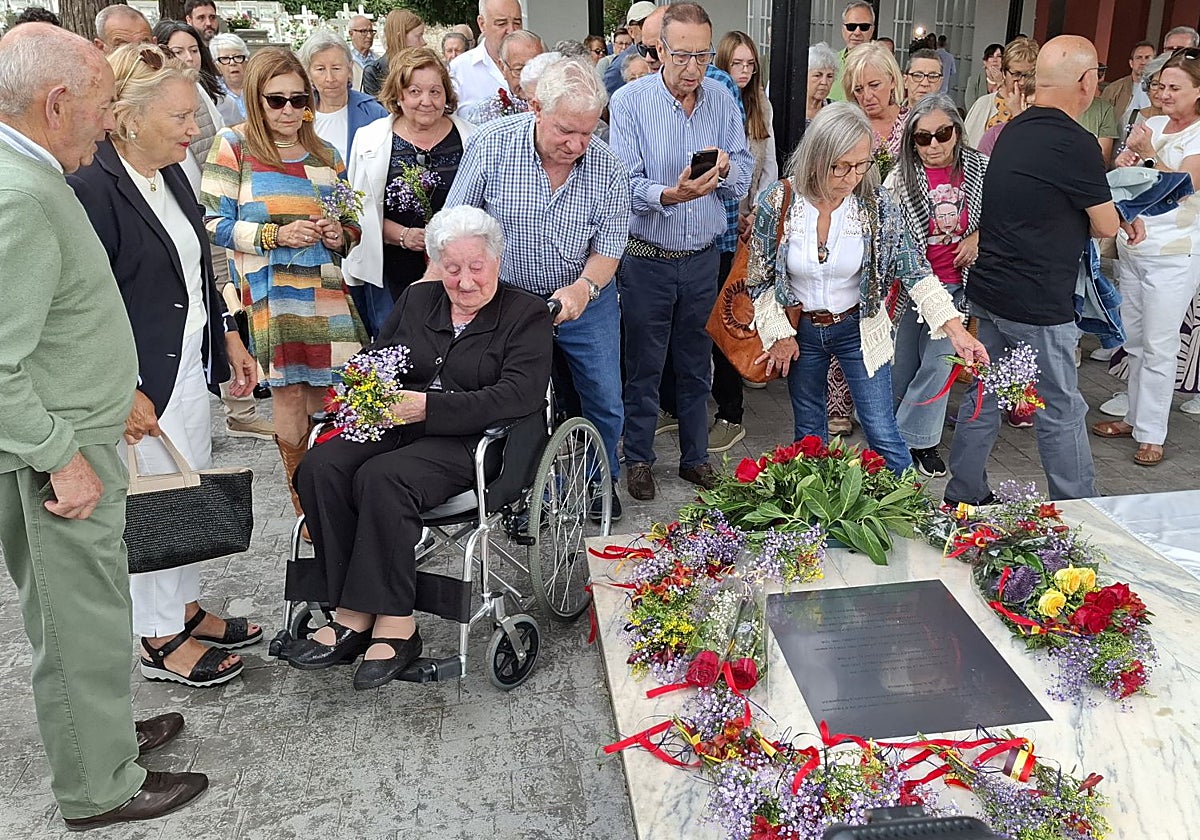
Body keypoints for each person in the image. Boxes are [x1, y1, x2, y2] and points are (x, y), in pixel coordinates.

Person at [0, 22, 206, 830]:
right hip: (59, 455)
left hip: (75, 436)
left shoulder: (32, 171)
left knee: (89, 606)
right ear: (57, 103)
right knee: (76, 620)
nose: (107, 118)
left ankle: (106, 740)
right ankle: (100, 786)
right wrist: (62, 458)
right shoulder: (20, 195)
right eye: (99, 104)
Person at [288, 205, 553, 689]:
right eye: (452, 268)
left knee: (381, 478)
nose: (465, 281)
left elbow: (520, 395)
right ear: (437, 264)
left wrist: (427, 407)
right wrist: (366, 389)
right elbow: (374, 357)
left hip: (475, 442)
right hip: (395, 427)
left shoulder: (525, 312)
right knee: (320, 467)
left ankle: (393, 623)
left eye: (476, 267)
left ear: (497, 261)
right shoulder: (418, 300)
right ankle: (350, 608)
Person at [69, 44, 262, 687]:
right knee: (149, 496)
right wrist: (118, 387)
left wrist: (230, 336)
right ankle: (157, 637)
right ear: (127, 115)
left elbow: (198, 266)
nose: (193, 127)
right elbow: (79, 303)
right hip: (137, 377)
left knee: (184, 485)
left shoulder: (172, 169)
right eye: (180, 116)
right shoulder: (92, 184)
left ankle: (182, 606)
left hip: (187, 358)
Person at [746, 103, 985, 472]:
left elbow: (915, 270)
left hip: (859, 328)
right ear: (816, 156)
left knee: (882, 430)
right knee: (809, 434)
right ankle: (818, 519)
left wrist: (957, 332)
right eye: (840, 165)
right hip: (801, 331)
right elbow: (759, 278)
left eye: (861, 165)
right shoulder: (779, 201)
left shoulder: (876, 205)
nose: (851, 177)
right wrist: (779, 333)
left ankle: (904, 516)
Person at [945, 35, 1133, 504]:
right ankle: (1079, 507)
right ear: (1087, 83)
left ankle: (963, 491)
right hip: (1039, 301)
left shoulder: (1013, 128)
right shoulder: (1078, 143)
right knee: (1062, 407)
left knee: (986, 395)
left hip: (992, 291)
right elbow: (1106, 223)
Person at [448, 57, 629, 517]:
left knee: (604, 399)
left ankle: (597, 484)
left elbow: (608, 251)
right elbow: (457, 224)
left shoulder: (608, 168)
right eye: (566, 130)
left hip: (585, 300)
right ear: (536, 108)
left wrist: (583, 289)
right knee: (517, 401)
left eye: (587, 133)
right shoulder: (492, 146)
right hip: (507, 301)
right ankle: (529, 493)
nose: (577, 144)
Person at [202, 47, 368, 527]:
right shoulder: (232, 145)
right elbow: (212, 222)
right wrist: (275, 235)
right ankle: (308, 507)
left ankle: (337, 494)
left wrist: (341, 234)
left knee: (336, 395)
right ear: (256, 98)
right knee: (291, 395)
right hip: (270, 294)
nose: (291, 111)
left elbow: (350, 222)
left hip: (326, 290)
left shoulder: (325, 154)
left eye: (300, 100)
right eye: (277, 100)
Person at [609, 2, 753, 501]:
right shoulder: (630, 103)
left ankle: (696, 459)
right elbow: (622, 185)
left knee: (697, 364)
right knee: (645, 366)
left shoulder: (720, 98)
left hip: (701, 258)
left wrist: (729, 171)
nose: (694, 68)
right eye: (682, 55)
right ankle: (640, 459)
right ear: (658, 50)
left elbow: (746, 172)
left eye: (703, 55)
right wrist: (670, 195)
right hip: (646, 257)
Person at [1092, 50, 1200, 466]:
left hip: (1175, 252)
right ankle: (1135, 418)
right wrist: (1125, 162)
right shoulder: (1151, 122)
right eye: (1161, 86)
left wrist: (1150, 152)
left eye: (1175, 87)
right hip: (1134, 247)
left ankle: (1153, 433)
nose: (1165, 94)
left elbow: (1184, 184)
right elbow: (1135, 177)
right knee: (1134, 338)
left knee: (1159, 343)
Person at [884, 94, 988, 477]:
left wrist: (978, 235)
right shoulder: (898, 178)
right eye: (922, 137)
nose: (933, 145)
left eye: (942, 134)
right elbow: (890, 235)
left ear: (957, 133)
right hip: (912, 287)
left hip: (958, 285)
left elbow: (1003, 218)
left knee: (939, 365)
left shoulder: (981, 169)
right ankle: (895, 432)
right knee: (903, 364)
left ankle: (912, 441)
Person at [346, 46, 476, 335]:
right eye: (415, 91)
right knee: (399, 346)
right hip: (391, 270)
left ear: (447, 95)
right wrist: (403, 236)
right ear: (399, 95)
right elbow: (357, 211)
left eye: (435, 91)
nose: (426, 101)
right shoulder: (369, 139)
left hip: (459, 269)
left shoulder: (472, 137)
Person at [300, 29, 387, 165]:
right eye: (320, 69)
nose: (330, 78)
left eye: (336, 68)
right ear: (309, 74)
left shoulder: (374, 113)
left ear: (349, 68)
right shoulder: (297, 113)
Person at [450, 0, 523, 114]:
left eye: (517, 23)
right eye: (501, 23)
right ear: (482, 24)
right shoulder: (458, 70)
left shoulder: (535, 64)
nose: (511, 31)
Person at [964, 37, 1039, 147]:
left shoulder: (1040, 107)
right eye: (1016, 74)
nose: (1022, 82)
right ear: (1004, 72)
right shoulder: (983, 104)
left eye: (1028, 75)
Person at [462, 29, 544, 123]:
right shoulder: (486, 112)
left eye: (536, 69)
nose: (528, 78)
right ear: (502, 68)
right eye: (519, 70)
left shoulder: (557, 104)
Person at [844, 41, 909, 160]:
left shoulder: (913, 123)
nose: (867, 96)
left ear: (892, 81)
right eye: (859, 89)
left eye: (874, 85)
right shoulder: (847, 127)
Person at [361, 9, 426, 98]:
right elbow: (376, 110)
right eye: (418, 36)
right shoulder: (374, 72)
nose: (423, 42)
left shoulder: (425, 67)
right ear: (400, 38)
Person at [603, 0, 657, 93]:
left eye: (656, 23)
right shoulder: (621, 64)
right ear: (630, 31)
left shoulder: (669, 52)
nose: (650, 27)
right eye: (643, 23)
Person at [1102, 41, 1156, 127]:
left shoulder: (1160, 90)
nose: (1143, 62)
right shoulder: (1114, 89)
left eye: (1147, 58)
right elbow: (1102, 120)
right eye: (1139, 58)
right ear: (1131, 63)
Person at [830, 0, 875, 102]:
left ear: (872, 30)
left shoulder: (883, 65)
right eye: (851, 26)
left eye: (864, 27)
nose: (857, 32)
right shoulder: (830, 64)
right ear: (843, 29)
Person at [211, 33, 250, 120]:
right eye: (225, 58)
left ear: (247, 62)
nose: (232, 63)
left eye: (238, 57)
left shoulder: (259, 87)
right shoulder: (213, 93)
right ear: (216, 66)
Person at [807, 42, 838, 122]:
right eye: (817, 75)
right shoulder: (790, 109)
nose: (824, 82)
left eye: (829, 76)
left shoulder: (836, 112)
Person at [965, 43, 1004, 107]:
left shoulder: (1009, 80)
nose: (995, 60)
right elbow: (970, 107)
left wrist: (1000, 82)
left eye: (999, 56)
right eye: (991, 56)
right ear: (985, 62)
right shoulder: (973, 80)